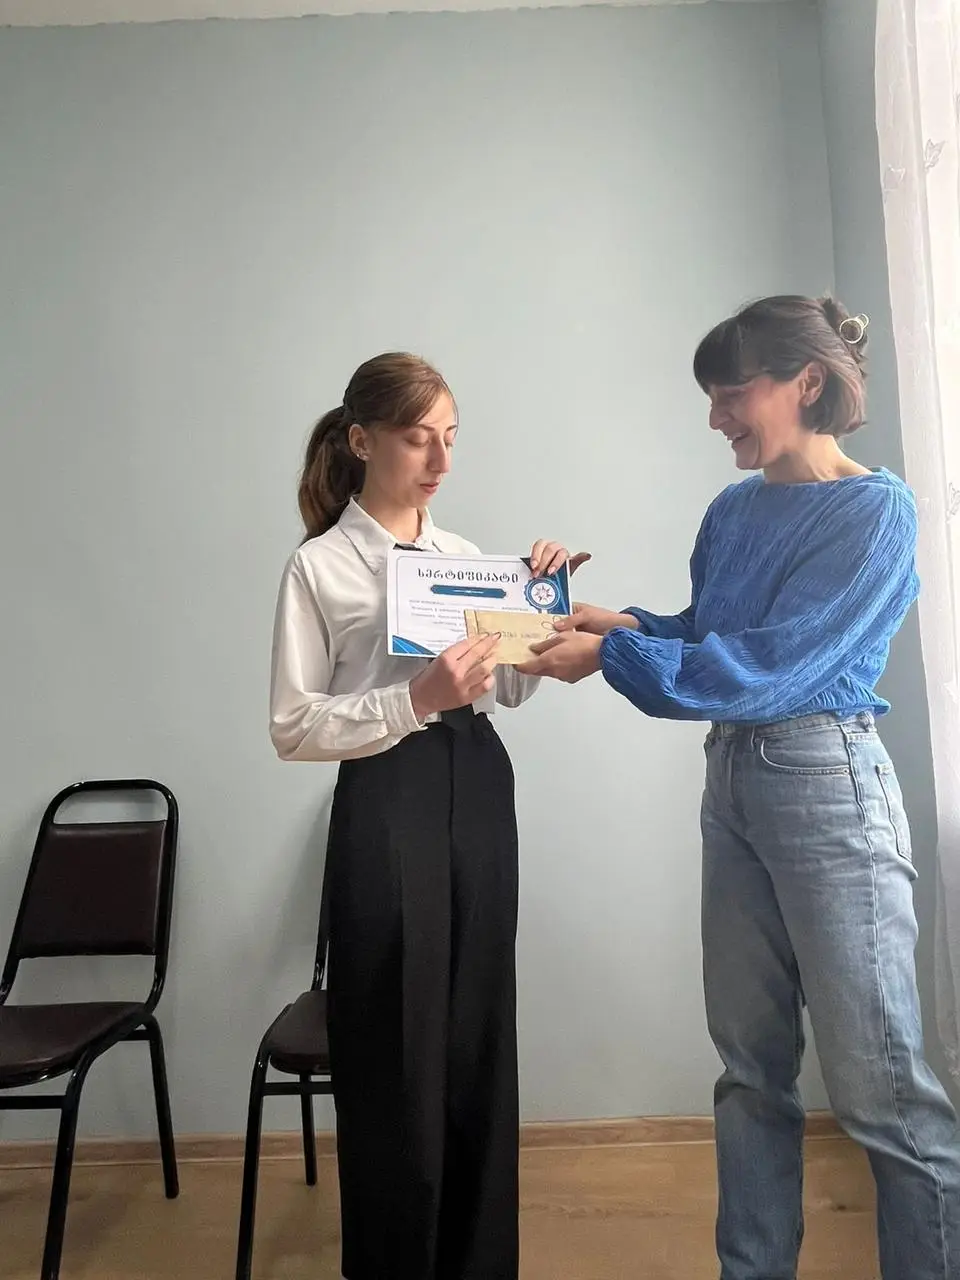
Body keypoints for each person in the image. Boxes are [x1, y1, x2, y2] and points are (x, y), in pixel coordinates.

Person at [517, 296, 960, 1280]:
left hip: (827, 787)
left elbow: (777, 665)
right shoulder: (733, 511)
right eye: (711, 397)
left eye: (731, 394)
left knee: (883, 1093)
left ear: (807, 382)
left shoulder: (878, 512)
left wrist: (612, 658)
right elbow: (714, 633)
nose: (716, 416)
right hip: (734, 784)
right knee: (750, 1070)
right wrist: (621, 624)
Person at [269, 352, 582, 1280]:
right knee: (391, 1038)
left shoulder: (465, 560)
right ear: (362, 441)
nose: (440, 460)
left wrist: (542, 602)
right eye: (417, 439)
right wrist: (415, 699)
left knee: (479, 1030)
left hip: (477, 786)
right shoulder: (319, 567)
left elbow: (511, 690)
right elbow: (293, 726)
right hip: (386, 794)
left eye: (450, 438)